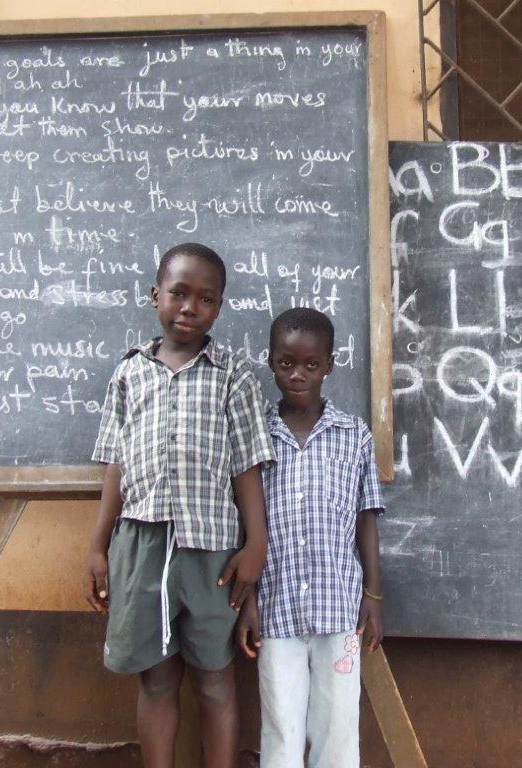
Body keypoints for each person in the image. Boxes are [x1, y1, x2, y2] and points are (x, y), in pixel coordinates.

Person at [84, 242, 274, 768]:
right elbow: (115, 465)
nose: (190, 307)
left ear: (219, 307)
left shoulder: (233, 375)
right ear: (155, 296)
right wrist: (98, 545)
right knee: (157, 679)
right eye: (179, 293)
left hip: (212, 551)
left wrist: (255, 544)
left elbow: (247, 465)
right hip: (142, 545)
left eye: (205, 299)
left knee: (216, 682)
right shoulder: (129, 374)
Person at [237, 307, 385, 768]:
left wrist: (374, 596)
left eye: (310, 365)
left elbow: (366, 518)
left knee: (338, 725)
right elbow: (242, 523)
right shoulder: (255, 433)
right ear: (270, 361)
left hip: (339, 603)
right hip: (275, 604)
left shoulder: (353, 435)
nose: (297, 375)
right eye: (286, 363)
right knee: (280, 724)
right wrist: (247, 602)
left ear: (329, 364)